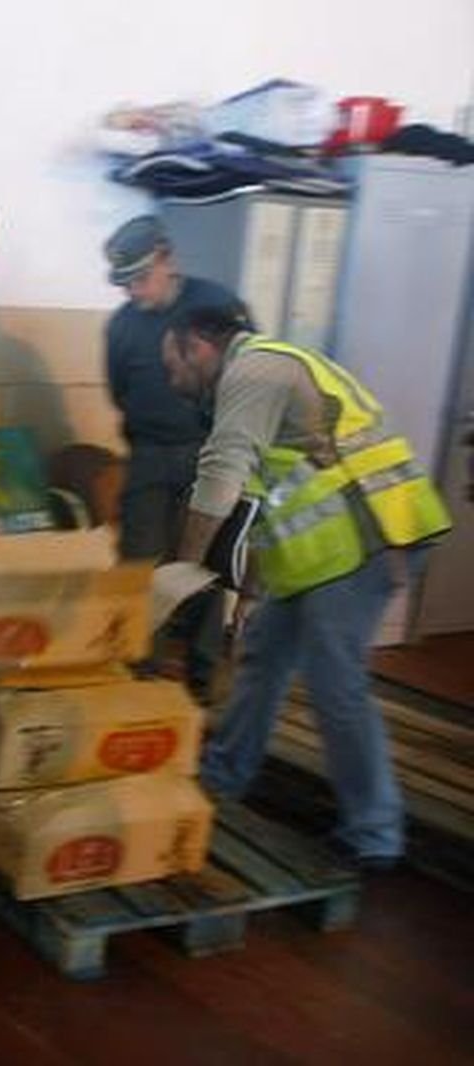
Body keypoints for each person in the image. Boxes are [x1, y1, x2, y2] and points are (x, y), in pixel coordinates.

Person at [164, 306, 452, 871]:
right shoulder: (265, 381)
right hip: (322, 554)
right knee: (264, 656)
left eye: (172, 365)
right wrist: (249, 591)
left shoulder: (255, 372)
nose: (172, 381)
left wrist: (181, 569)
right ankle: (223, 776)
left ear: (199, 346)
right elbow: (265, 503)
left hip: (373, 539)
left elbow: (222, 474)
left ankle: (375, 833)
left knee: (335, 683)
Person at [103, 215, 249, 703]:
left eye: (141, 279)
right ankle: (137, 670)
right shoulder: (122, 326)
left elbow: (248, 375)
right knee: (139, 566)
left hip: (208, 454)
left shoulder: (216, 305)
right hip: (147, 455)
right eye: (125, 284)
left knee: (203, 569)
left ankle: (203, 681)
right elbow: (120, 389)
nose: (135, 293)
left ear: (168, 260)